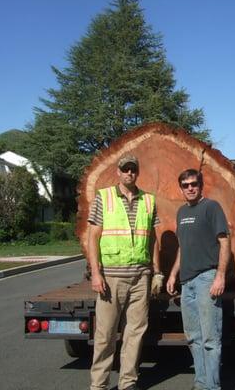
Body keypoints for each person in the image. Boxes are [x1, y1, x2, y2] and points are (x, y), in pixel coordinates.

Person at [88, 154, 163, 390]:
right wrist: (96, 273)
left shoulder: (149, 201)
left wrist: (157, 272)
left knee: (135, 332)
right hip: (111, 277)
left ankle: (127, 382)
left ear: (137, 172)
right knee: (105, 334)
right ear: (118, 172)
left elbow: (153, 240)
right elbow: (93, 237)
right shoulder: (104, 197)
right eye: (125, 169)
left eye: (133, 169)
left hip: (141, 277)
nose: (129, 173)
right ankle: (99, 385)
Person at [166, 169, 231, 390]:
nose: (190, 188)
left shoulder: (211, 208)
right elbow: (183, 247)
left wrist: (220, 276)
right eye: (185, 185)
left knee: (210, 339)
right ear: (181, 188)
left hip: (206, 279)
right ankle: (201, 382)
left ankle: (212, 387)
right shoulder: (181, 212)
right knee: (193, 337)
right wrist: (174, 273)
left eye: (194, 184)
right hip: (187, 283)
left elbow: (224, 242)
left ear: (201, 185)